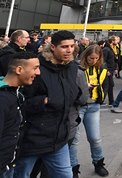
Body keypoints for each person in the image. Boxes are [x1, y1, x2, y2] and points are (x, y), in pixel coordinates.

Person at [13, 30, 81, 178]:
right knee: (21, 175)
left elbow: (70, 93)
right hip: (32, 140)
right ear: (52, 47)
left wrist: (78, 94)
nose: (69, 50)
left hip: (59, 139)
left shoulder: (72, 67)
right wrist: (42, 101)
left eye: (71, 46)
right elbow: (19, 102)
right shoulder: (37, 68)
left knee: (65, 175)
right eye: (64, 47)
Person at [69, 45, 109, 177]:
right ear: (85, 56)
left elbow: (104, 84)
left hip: (94, 105)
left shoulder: (101, 67)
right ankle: (73, 169)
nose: (94, 60)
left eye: (97, 58)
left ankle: (98, 163)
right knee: (74, 139)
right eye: (91, 58)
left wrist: (101, 97)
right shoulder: (76, 67)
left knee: (95, 138)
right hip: (78, 106)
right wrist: (84, 87)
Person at [99, 39, 116, 105]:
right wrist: (107, 70)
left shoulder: (107, 49)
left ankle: (110, 101)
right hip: (107, 70)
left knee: (109, 85)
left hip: (109, 70)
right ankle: (102, 100)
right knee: (106, 86)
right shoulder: (107, 50)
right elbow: (103, 61)